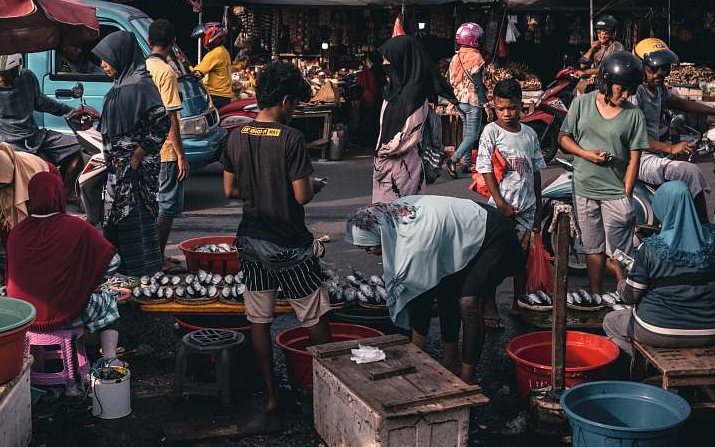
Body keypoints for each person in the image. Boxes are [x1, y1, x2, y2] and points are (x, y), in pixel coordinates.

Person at [221, 61, 332, 413]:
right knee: (314, 317)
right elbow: (301, 196)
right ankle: (329, 394)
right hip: (290, 244)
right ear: (285, 100)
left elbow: (230, 189)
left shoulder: (236, 135)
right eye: (295, 104)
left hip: (251, 242)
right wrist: (312, 185)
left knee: (259, 319)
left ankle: (270, 395)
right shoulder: (292, 139)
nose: (295, 110)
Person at [345, 196, 525, 384]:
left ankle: (467, 378)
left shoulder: (414, 240)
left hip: (491, 232)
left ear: (380, 235)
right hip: (459, 234)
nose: (370, 253)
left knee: (469, 303)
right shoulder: (391, 223)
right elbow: (426, 292)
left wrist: (414, 356)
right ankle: (450, 361)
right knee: (446, 290)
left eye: (368, 247)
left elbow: (421, 294)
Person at [6, 172, 122, 387]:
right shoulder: (76, 227)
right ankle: (109, 359)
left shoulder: (17, 231)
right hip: (67, 314)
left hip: (24, 317)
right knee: (109, 300)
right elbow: (112, 261)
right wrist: (91, 281)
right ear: (58, 196)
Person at [601, 181, 715, 360]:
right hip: (711, 329)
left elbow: (630, 296)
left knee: (611, 321)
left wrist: (618, 273)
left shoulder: (651, 248)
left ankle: (630, 371)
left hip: (658, 329)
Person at [559, 51, 650, 297]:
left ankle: (626, 295)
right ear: (606, 84)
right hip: (584, 187)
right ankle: (597, 294)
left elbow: (634, 160)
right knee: (592, 247)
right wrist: (586, 154)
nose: (626, 95)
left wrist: (626, 195)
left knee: (619, 252)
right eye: (621, 89)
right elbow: (564, 138)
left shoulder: (634, 115)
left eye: (630, 90)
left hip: (615, 192)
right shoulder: (581, 103)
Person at [92, 31, 171, 277]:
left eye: (107, 59)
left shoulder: (138, 84)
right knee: (118, 223)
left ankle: (142, 279)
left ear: (121, 56)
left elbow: (161, 123)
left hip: (134, 175)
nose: (103, 64)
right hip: (119, 171)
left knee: (135, 224)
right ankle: (123, 278)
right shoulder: (122, 84)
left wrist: (138, 155)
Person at [631, 38, 715, 223]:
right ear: (641, 67)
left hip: (656, 151)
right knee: (690, 171)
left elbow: (677, 102)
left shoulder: (656, 88)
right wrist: (670, 149)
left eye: (664, 68)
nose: (659, 73)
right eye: (653, 69)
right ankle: (704, 229)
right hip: (639, 157)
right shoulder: (635, 94)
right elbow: (635, 138)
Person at [0, 53, 89, 193]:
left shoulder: (28, 78)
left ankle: (67, 191)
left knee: (80, 146)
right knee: (43, 170)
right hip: (6, 142)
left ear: (17, 70)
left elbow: (42, 102)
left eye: (4, 75)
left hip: (35, 135)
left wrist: (70, 111)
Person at [476, 77, 546, 322]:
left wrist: (537, 206)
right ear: (494, 106)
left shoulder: (529, 134)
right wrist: (502, 204)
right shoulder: (491, 131)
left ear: (521, 105)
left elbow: (536, 171)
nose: (506, 113)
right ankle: (489, 306)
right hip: (499, 210)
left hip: (527, 208)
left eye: (512, 108)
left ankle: (519, 301)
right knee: (495, 259)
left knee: (522, 259)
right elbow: (485, 170)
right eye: (501, 108)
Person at [145, 19, 190, 272]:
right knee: (167, 205)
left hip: (146, 147)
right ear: (173, 43)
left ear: (150, 41)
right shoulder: (167, 72)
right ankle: (157, 258)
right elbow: (171, 117)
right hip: (165, 149)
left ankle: (153, 255)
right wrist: (181, 156)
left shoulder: (142, 67)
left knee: (155, 203)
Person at [373, 35, 435, 203]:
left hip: (404, 167)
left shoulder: (415, 97)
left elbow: (410, 135)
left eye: (388, 59)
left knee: (401, 213)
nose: (385, 64)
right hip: (384, 165)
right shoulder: (391, 93)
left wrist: (385, 151)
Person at [0, 143, 56, 236]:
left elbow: (36, 208)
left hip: (45, 182)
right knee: (5, 228)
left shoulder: (31, 177)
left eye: (2, 186)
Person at [445, 22, 488, 179]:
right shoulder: (476, 58)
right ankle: (453, 160)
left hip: (459, 101)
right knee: (473, 134)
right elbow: (478, 84)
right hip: (472, 101)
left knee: (467, 132)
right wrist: (486, 103)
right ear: (474, 40)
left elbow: (448, 81)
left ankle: (466, 164)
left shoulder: (455, 58)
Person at [576, 16, 625, 93]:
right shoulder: (597, 46)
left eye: (606, 33)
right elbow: (583, 65)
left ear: (613, 33)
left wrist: (586, 72)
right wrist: (591, 49)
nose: (602, 36)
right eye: (599, 33)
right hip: (595, 81)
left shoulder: (618, 47)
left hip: (609, 83)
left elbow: (609, 69)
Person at [193, 23, 235, 109]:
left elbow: (197, 73)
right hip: (224, 96)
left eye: (203, 37)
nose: (203, 40)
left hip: (216, 96)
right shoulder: (223, 50)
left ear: (212, 37)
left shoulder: (215, 54)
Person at [355, 50, 385, 147]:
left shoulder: (369, 71)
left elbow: (370, 84)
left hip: (369, 95)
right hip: (372, 95)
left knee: (367, 119)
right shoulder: (373, 70)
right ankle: (369, 140)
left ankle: (366, 140)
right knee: (371, 119)